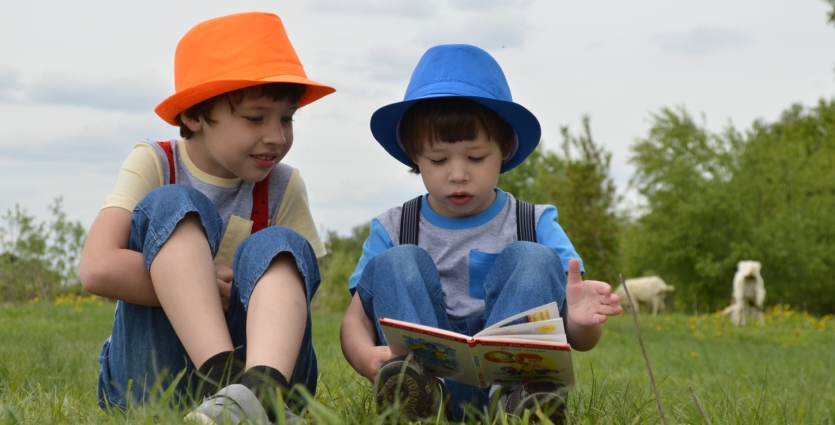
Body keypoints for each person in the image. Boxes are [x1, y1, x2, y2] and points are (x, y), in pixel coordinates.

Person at [339, 44, 623, 423]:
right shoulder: (393, 227)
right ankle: (417, 398)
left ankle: (522, 403)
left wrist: (580, 324)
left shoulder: (534, 222)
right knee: (397, 262)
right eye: (439, 160)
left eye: (476, 158)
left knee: (534, 258)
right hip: (428, 376)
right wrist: (364, 356)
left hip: (510, 378)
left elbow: (579, 340)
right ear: (414, 156)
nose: (458, 174)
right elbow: (354, 320)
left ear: (504, 149)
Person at [77, 12, 334, 424]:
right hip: (155, 376)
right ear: (194, 115)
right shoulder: (155, 162)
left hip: (265, 365)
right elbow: (97, 268)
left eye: (287, 118)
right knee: (172, 204)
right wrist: (195, 282)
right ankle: (229, 384)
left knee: (280, 246)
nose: (277, 136)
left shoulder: (284, 184)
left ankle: (261, 393)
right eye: (256, 118)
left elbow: (294, 294)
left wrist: (250, 287)